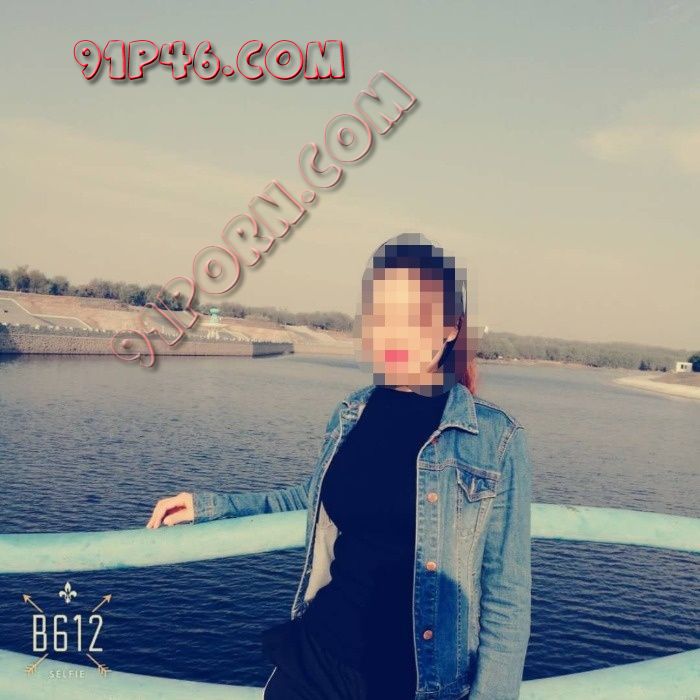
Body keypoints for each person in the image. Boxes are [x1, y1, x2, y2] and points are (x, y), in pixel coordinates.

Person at [146, 232, 533, 700]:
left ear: (451, 327)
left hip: (413, 685)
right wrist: (211, 506)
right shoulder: (353, 412)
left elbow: (507, 599)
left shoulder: (494, 439)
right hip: (316, 663)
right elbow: (310, 499)